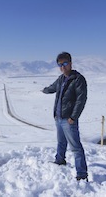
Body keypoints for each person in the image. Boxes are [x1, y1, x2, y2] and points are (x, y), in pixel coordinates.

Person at [42, 52, 88, 181]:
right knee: (61, 142)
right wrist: (44, 90)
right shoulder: (61, 79)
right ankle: (60, 160)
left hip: (69, 119)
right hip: (59, 117)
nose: (63, 67)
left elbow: (81, 100)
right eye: (60, 65)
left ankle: (82, 174)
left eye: (65, 64)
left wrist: (73, 117)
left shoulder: (78, 79)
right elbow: (52, 87)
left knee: (76, 147)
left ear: (71, 63)